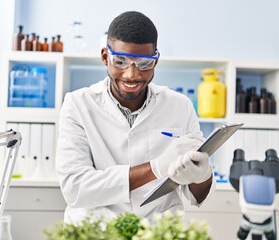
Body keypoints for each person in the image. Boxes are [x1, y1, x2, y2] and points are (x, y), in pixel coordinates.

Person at [55, 11, 215, 224]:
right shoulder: (78, 104)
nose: (132, 75)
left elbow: (195, 195)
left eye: (143, 63)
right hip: (95, 230)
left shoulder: (180, 106)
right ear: (105, 57)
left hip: (158, 232)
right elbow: (75, 189)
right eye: (120, 61)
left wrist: (202, 176)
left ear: (156, 60)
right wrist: (156, 167)